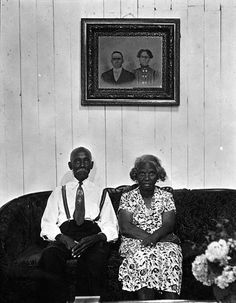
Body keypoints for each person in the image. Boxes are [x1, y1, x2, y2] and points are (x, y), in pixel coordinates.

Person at [39, 147, 119, 302]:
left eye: (85, 161)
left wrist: (96, 238)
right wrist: (63, 239)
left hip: (92, 237)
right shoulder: (58, 192)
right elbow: (47, 223)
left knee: (95, 261)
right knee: (49, 256)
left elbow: (111, 225)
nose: (81, 165)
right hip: (65, 235)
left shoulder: (101, 193)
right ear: (70, 165)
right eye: (77, 161)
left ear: (91, 165)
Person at [118, 154, 182, 300]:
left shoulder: (166, 196)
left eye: (151, 173)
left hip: (162, 240)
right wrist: (155, 238)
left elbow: (168, 224)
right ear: (136, 176)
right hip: (135, 241)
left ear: (158, 175)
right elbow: (126, 227)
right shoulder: (127, 197)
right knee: (143, 256)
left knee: (172, 254)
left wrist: (155, 238)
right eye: (142, 173)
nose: (147, 177)